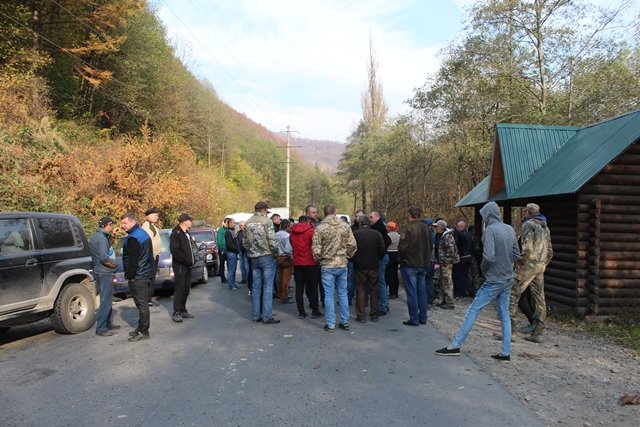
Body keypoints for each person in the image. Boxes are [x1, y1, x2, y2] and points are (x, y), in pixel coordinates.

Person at [435, 201, 520, 361]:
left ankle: (455, 345)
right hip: (508, 277)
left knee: (472, 311)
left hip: (494, 279)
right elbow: (516, 254)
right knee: (504, 315)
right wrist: (506, 262)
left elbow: (488, 256)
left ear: (488, 215)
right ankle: (505, 351)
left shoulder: (489, 231)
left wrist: (485, 269)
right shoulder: (509, 229)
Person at [510, 203, 553, 344]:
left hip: (528, 265)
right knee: (540, 299)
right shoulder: (545, 227)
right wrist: (543, 263)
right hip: (540, 265)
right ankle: (538, 333)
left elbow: (526, 249)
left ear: (527, 212)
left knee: (512, 295)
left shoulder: (528, 225)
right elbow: (550, 251)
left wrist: (519, 262)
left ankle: (511, 332)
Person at [312, 204, 357, 332]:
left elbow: (316, 249)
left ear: (324, 213)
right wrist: (347, 256)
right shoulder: (345, 226)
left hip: (327, 265)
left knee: (329, 295)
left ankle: (331, 324)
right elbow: (352, 245)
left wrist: (320, 260)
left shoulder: (320, 228)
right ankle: (345, 321)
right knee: (343, 293)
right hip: (342, 264)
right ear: (335, 212)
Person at [243, 201, 280, 324]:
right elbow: (272, 240)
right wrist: (275, 254)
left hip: (254, 258)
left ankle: (255, 315)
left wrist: (251, 252)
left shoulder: (247, 223)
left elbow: (245, 242)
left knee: (255, 287)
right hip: (267, 256)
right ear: (263, 210)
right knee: (268, 287)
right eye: (267, 211)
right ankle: (267, 315)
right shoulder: (267, 222)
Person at [120, 212, 155, 342]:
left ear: (132, 222)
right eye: (122, 223)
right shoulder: (142, 233)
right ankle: (140, 328)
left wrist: (130, 276)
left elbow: (133, 260)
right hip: (145, 273)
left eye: (125, 223)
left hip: (139, 276)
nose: (122, 225)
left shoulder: (134, 238)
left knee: (142, 304)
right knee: (142, 304)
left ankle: (144, 331)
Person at [398, 207, 432, 326]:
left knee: (412, 292)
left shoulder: (407, 227)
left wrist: (401, 259)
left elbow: (402, 246)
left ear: (410, 215)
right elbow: (430, 245)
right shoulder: (426, 228)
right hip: (423, 263)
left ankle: (414, 318)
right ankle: (423, 317)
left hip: (410, 263)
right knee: (422, 292)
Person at [88, 216, 120, 337]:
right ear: (107, 224)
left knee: (107, 298)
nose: (112, 228)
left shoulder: (96, 236)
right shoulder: (101, 238)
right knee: (106, 300)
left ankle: (107, 323)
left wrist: (113, 236)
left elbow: (106, 246)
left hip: (99, 271)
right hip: (105, 272)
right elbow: (103, 257)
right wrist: (116, 265)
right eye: (111, 226)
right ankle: (101, 327)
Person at [351, 215, 385, 323]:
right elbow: (382, 249)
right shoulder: (377, 234)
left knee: (360, 290)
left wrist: (354, 260)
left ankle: (361, 316)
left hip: (360, 267)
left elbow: (351, 250)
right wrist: (377, 258)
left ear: (360, 223)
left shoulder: (355, 234)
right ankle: (374, 314)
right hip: (373, 266)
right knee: (374, 290)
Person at [290, 215, 322, 318]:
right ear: (307, 222)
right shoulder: (311, 231)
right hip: (310, 263)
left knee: (299, 288)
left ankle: (301, 312)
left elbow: (291, 245)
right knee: (313, 287)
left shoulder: (292, 233)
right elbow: (315, 245)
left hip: (297, 263)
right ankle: (314, 310)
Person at [169, 213, 196, 322]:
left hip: (188, 265)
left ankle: (183, 309)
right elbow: (175, 251)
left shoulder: (186, 233)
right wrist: (185, 260)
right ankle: (177, 312)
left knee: (186, 288)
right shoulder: (176, 233)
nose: (191, 222)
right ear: (184, 221)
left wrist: (192, 259)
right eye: (190, 220)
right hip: (180, 266)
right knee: (180, 288)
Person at [369, 211, 392, 315]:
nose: (370, 219)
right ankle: (384, 304)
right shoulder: (379, 226)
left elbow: (386, 241)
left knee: (380, 282)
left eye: (371, 217)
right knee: (381, 281)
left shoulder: (378, 227)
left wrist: (379, 255)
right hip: (382, 257)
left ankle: (382, 306)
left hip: (381, 258)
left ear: (377, 217)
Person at [434, 219, 459, 309]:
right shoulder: (441, 235)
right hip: (442, 262)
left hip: (446, 263)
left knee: (447, 282)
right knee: (441, 282)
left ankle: (450, 302)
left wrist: (445, 261)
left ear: (441, 227)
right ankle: (442, 300)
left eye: (436, 226)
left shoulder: (448, 237)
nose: (435, 228)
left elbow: (451, 252)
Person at [141, 208, 161, 307]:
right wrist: (151, 255)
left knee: (152, 278)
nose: (156, 217)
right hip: (151, 257)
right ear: (148, 216)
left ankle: (149, 298)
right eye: (154, 215)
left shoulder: (152, 226)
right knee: (150, 278)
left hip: (154, 255)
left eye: (157, 215)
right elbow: (148, 242)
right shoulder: (147, 227)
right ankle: (147, 299)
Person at [452, 221, 474, 298]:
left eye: (459, 227)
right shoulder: (469, 235)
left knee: (460, 275)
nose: (457, 228)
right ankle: (469, 290)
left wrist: (454, 230)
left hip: (463, 257)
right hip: (468, 256)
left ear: (463, 227)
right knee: (465, 275)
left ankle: (461, 291)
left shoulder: (463, 235)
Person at [275, 219, 294, 303]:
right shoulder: (287, 235)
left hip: (278, 257)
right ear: (287, 226)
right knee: (286, 279)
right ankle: (284, 296)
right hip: (285, 257)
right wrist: (292, 257)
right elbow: (288, 249)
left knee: (280, 277)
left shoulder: (276, 234)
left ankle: (279, 294)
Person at [224, 218, 241, 291]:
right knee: (231, 270)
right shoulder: (228, 232)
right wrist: (237, 249)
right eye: (233, 223)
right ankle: (231, 285)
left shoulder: (232, 231)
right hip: (231, 253)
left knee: (233, 270)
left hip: (234, 253)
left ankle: (233, 283)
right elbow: (229, 244)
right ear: (230, 223)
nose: (234, 224)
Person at [386, 221, 401, 299]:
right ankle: (395, 291)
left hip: (390, 254)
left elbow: (386, 245)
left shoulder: (388, 236)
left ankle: (391, 292)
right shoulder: (399, 235)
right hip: (397, 254)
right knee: (395, 274)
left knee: (389, 274)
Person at [216, 218, 229, 284]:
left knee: (230, 265)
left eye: (228, 223)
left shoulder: (229, 230)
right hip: (223, 251)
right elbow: (219, 241)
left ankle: (230, 278)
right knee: (222, 265)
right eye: (226, 222)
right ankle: (223, 279)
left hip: (229, 250)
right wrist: (222, 249)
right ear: (224, 223)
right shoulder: (221, 230)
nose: (227, 224)